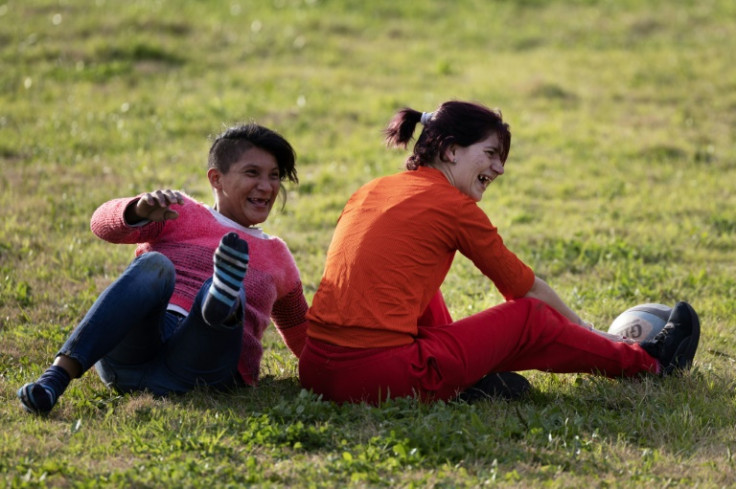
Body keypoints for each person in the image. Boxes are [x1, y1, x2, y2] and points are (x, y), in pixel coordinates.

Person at [298, 101, 700, 405]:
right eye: (490, 154)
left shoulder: (373, 188)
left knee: (422, 286)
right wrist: (594, 333)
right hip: (377, 377)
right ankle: (652, 362)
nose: (500, 169)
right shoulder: (453, 206)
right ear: (451, 150)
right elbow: (524, 293)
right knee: (529, 319)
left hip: (315, 371)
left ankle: (462, 382)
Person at [18, 123, 308, 415]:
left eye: (274, 176)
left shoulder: (277, 255)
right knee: (155, 264)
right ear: (216, 179)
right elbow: (101, 225)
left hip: (200, 370)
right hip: (132, 357)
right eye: (252, 173)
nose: (267, 186)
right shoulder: (178, 211)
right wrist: (137, 211)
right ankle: (53, 381)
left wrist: (339, 377)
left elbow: (302, 335)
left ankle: (220, 301)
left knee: (229, 292)